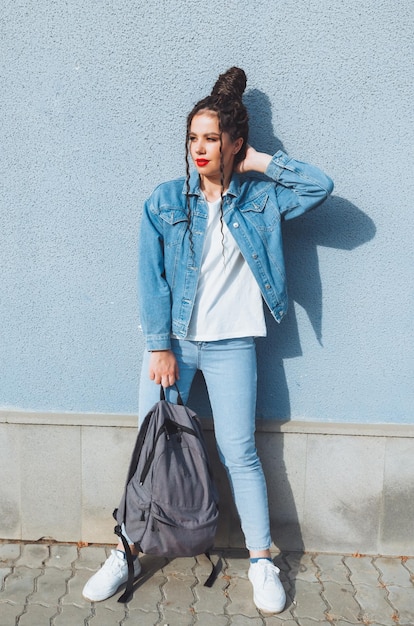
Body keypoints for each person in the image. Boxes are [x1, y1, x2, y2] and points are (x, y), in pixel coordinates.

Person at [83, 67, 333, 613]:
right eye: (193, 138)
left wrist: (259, 162)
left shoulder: (261, 201)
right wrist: (159, 347)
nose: (199, 148)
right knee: (150, 447)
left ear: (234, 143)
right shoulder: (167, 200)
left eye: (212, 138)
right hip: (172, 344)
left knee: (240, 450)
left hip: (232, 345)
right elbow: (152, 278)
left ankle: (262, 559)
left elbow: (319, 187)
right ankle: (127, 547)